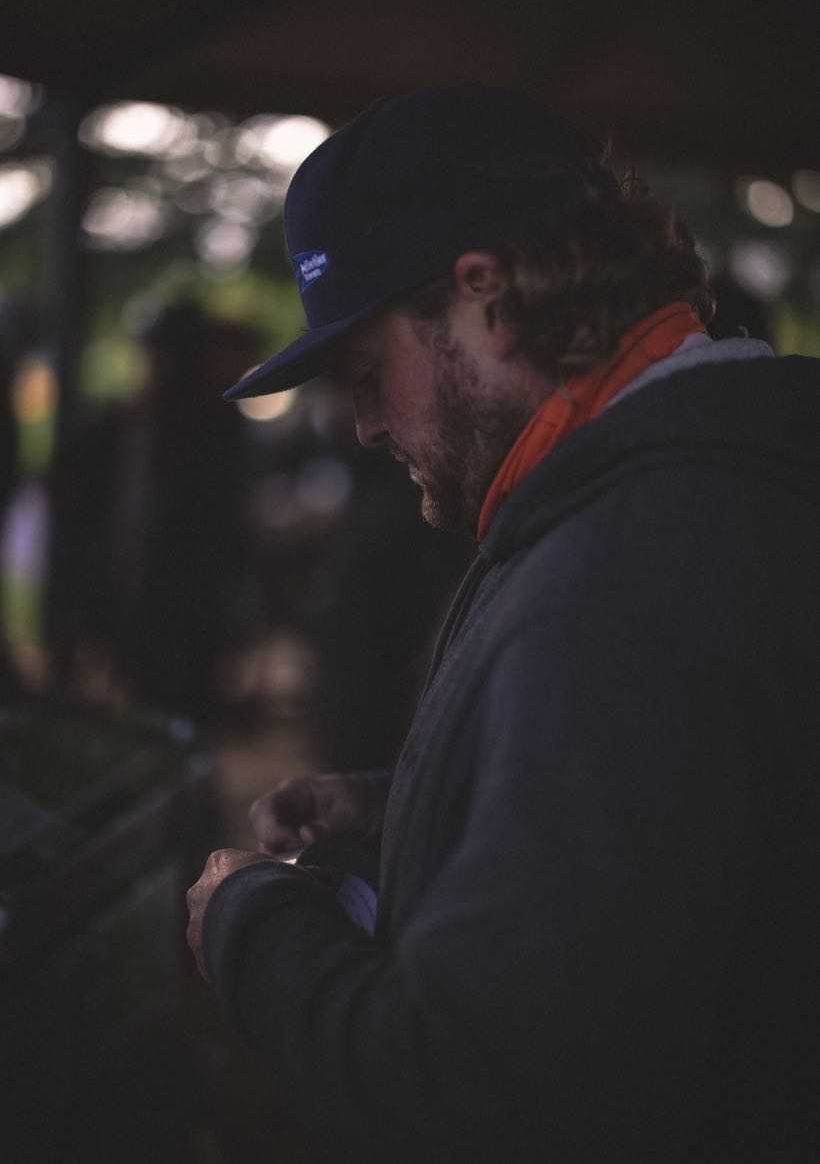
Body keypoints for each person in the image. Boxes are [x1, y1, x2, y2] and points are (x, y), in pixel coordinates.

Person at [186, 85, 820, 1162]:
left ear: (485, 295)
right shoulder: (672, 492)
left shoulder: (634, 566)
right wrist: (411, 809)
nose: (364, 424)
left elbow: (470, 1090)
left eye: (366, 370)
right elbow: (672, 828)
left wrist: (249, 922)